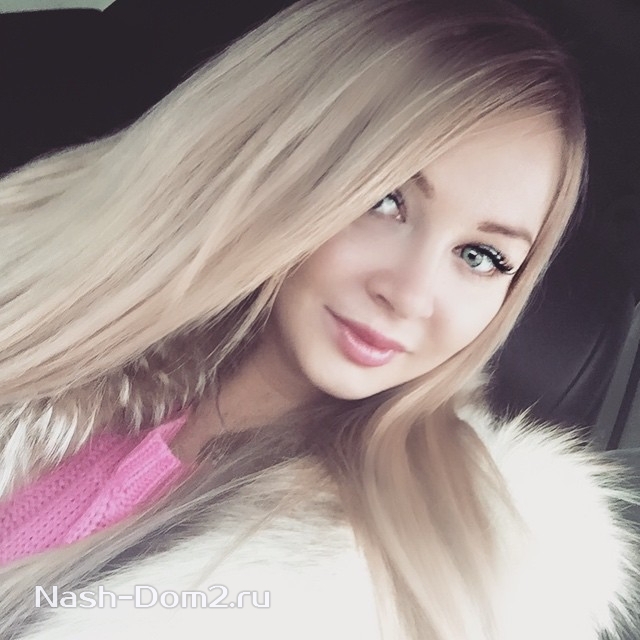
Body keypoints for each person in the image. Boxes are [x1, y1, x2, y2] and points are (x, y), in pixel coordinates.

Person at [0, 0, 637, 638]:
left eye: (481, 256)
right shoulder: (45, 316)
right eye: (386, 200)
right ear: (283, 160)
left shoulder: (432, 579)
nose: (410, 295)